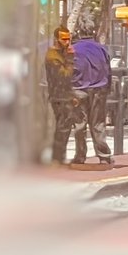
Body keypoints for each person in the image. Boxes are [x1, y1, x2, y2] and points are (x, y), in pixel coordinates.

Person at [72, 35, 113, 166]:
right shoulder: (102, 49)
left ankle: (80, 156)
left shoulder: (73, 49)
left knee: (79, 125)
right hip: (99, 88)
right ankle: (104, 156)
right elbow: (108, 70)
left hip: (79, 89)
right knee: (98, 125)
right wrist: (108, 88)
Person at [44, 26, 82, 165]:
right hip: (59, 97)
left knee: (64, 128)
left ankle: (59, 157)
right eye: (64, 39)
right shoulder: (53, 56)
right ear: (56, 39)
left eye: (68, 39)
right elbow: (64, 76)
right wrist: (70, 59)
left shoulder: (62, 53)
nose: (67, 42)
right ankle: (57, 158)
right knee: (62, 128)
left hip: (65, 95)